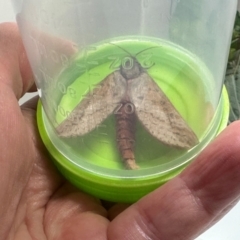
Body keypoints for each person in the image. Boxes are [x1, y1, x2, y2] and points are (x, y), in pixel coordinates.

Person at [1, 22, 240, 240]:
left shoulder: (112, 79)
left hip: (60, 203)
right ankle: (131, 159)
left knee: (120, 123)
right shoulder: (145, 81)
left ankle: (130, 157)